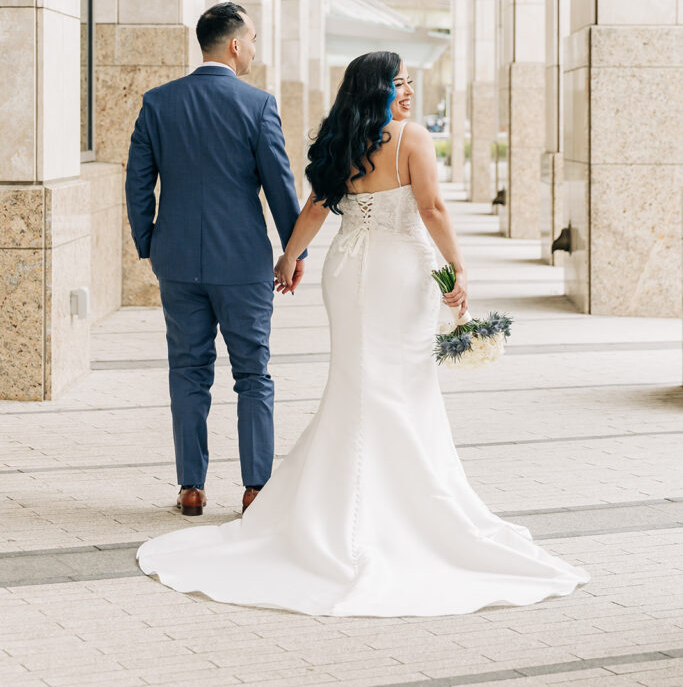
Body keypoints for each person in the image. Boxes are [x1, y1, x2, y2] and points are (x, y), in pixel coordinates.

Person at [136, 51, 590, 616]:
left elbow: (318, 207)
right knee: (401, 383)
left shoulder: (340, 138)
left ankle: (329, 505)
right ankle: (404, 506)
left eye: (409, 84)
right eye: (398, 85)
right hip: (399, 271)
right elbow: (432, 210)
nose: (408, 93)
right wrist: (458, 272)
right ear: (375, 90)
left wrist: (290, 257)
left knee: (355, 383)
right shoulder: (411, 139)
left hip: (348, 268)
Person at [125, 3, 306, 518]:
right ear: (233, 45)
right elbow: (280, 188)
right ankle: (254, 490)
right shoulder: (257, 105)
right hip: (243, 264)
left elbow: (138, 183)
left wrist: (150, 244)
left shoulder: (158, 103)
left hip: (177, 261)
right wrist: (294, 252)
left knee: (187, 371)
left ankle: (191, 488)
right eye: (252, 38)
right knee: (253, 374)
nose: (253, 47)